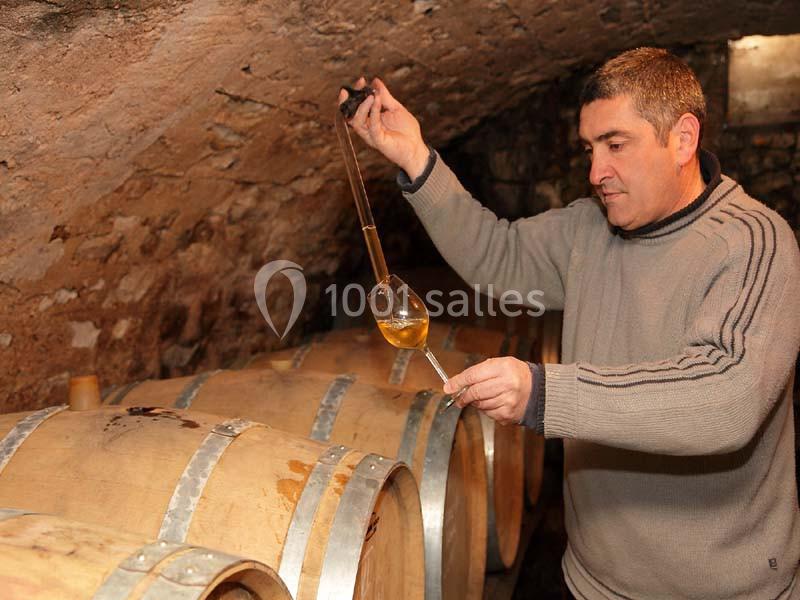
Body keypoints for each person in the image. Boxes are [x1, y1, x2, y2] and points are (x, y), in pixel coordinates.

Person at [340, 47, 800, 599]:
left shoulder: (753, 242)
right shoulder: (589, 228)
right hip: (592, 582)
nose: (594, 171)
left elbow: (728, 397)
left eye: (615, 145)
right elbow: (496, 254)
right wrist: (415, 157)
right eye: (589, 147)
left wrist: (543, 393)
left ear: (682, 138)